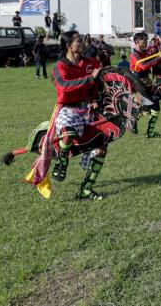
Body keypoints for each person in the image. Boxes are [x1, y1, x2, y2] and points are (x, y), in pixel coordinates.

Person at [42, 30, 106, 200]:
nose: (83, 42)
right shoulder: (59, 66)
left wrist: (94, 99)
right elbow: (64, 86)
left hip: (89, 111)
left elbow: (98, 85)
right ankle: (62, 163)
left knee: (101, 148)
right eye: (78, 41)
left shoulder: (91, 62)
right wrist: (88, 79)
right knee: (67, 134)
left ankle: (86, 189)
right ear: (69, 45)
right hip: (67, 109)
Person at [130, 32, 161, 138]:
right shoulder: (134, 55)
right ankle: (132, 120)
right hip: (138, 85)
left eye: (147, 40)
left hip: (147, 82)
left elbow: (153, 60)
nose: (146, 42)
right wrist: (157, 58)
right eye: (144, 40)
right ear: (137, 41)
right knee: (147, 107)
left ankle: (149, 132)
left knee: (155, 108)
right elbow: (144, 66)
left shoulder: (146, 52)